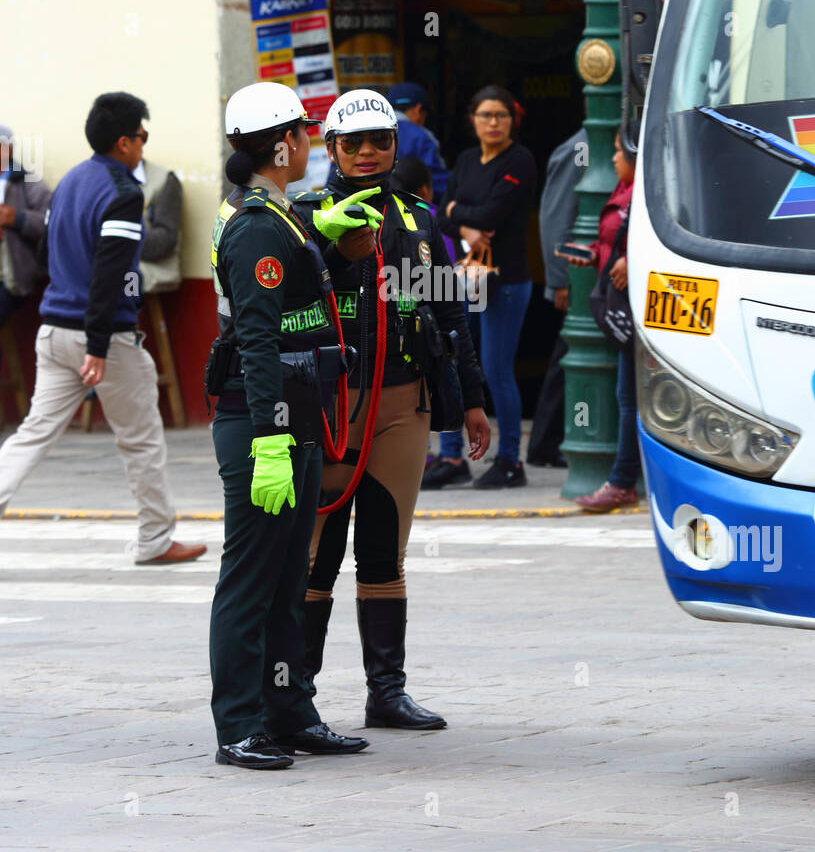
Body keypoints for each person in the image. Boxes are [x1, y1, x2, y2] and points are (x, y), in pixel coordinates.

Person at [292, 89, 490, 731]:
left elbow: (451, 311)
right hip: (332, 402)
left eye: (381, 140)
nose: (369, 152)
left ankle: (387, 693)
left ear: (396, 145)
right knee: (318, 553)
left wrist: (474, 401)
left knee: (385, 551)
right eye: (354, 143)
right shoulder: (303, 213)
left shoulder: (419, 218)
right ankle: (297, 697)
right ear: (332, 149)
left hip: (404, 402)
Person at [207, 81, 381, 771]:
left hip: (299, 414)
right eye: (304, 133)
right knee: (251, 579)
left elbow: (306, 304)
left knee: (288, 577)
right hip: (264, 424)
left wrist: (334, 253)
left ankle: (289, 710)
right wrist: (269, 437)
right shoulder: (255, 228)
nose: (311, 143)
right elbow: (256, 340)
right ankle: (240, 724)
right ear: (282, 145)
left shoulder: (285, 218)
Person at [0, 93, 205, 563]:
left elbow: (52, 250)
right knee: (142, 438)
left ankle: (155, 538)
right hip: (102, 339)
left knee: (32, 434)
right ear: (125, 142)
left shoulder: (71, 180)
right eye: (142, 137)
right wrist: (96, 345)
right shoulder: (124, 192)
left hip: (52, 330)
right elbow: (111, 273)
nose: (143, 146)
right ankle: (155, 539)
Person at [425, 85, 537, 490]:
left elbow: (494, 210)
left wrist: (460, 212)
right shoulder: (469, 160)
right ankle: (453, 455)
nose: (493, 122)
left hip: (505, 281)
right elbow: (442, 213)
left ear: (512, 120)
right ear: (473, 119)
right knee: (453, 362)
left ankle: (510, 460)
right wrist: (465, 220)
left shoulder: (520, 160)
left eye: (501, 115)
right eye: (485, 115)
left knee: (496, 371)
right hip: (467, 277)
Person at [566, 128, 638, 512]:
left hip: (644, 304)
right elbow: (614, 241)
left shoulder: (644, 192)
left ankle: (624, 481)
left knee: (630, 398)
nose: (611, 159)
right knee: (629, 396)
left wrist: (635, 258)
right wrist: (592, 253)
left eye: (616, 151)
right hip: (625, 296)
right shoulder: (623, 189)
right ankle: (625, 479)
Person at [527, 126, 589, 467]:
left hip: (602, 275)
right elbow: (557, 217)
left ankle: (548, 441)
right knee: (571, 357)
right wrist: (560, 280)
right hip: (581, 276)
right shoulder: (579, 148)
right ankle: (546, 442)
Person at [0, 123, 52, 329]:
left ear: (8, 149)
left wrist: (18, 219)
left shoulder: (28, 182)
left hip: (10, 278)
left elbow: (51, 223)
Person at [386, 82, 449, 201]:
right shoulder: (423, 136)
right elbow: (438, 183)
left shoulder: (370, 132)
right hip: (412, 210)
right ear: (418, 109)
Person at [132, 155, 183, 295]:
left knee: (119, 281)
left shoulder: (164, 180)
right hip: (109, 262)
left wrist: (119, 243)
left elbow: (166, 239)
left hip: (149, 267)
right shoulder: (99, 178)